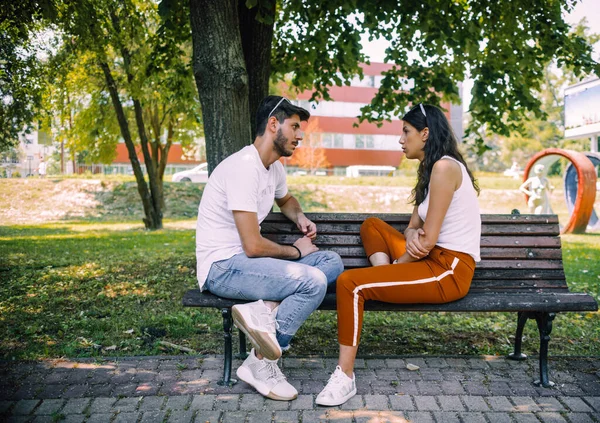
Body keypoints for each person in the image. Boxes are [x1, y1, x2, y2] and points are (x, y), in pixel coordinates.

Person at [316, 104, 482, 406]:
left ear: (425, 133)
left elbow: (427, 242)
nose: (401, 139)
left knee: (349, 284)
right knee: (373, 226)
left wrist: (397, 264)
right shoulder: (434, 168)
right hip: (432, 260)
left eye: (406, 131)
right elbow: (415, 228)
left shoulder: (445, 168)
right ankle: (383, 278)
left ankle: (345, 376)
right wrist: (407, 236)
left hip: (449, 270)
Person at [195, 95, 344, 401]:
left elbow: (286, 199)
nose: (300, 135)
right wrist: (297, 253)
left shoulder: (272, 168)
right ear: (273, 124)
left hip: (245, 266)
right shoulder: (243, 166)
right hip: (221, 268)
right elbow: (251, 245)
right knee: (312, 279)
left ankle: (264, 315)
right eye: (295, 127)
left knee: (331, 262)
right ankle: (263, 363)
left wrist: (299, 215)